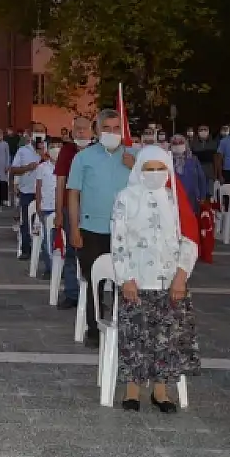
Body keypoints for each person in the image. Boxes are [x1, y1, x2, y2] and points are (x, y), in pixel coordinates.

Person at [110, 146, 199, 412]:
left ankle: (161, 392)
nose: (155, 173)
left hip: (171, 282)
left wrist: (181, 277)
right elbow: (118, 241)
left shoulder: (175, 200)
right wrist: (125, 278)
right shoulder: (126, 198)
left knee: (167, 338)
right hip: (136, 281)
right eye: (149, 168)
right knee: (134, 337)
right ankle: (132, 391)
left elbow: (189, 240)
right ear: (139, 169)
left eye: (161, 168)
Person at [67, 109, 136, 348]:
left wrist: (136, 167)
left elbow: (157, 185)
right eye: (106, 128)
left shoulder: (132, 157)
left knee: (123, 281)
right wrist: (74, 228)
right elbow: (73, 193)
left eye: (117, 128)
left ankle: (120, 326)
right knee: (93, 281)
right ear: (97, 130)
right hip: (91, 229)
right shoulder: (83, 158)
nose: (112, 133)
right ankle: (94, 328)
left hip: (124, 232)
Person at [54, 117, 93, 309]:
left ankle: (94, 296)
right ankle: (72, 293)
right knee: (71, 252)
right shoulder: (66, 151)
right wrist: (59, 212)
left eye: (84, 129)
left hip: (93, 210)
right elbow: (60, 182)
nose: (80, 132)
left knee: (92, 253)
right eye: (77, 129)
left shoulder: (99, 152)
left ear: (92, 131)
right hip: (70, 209)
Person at [10, 126, 44, 260]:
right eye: (36, 132)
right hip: (27, 191)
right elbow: (13, 169)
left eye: (41, 132)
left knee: (45, 222)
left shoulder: (48, 150)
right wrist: (27, 168)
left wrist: (43, 155)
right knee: (26, 221)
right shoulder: (23, 151)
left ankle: (45, 250)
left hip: (45, 192)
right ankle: (26, 249)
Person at [33, 139, 59, 279]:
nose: (56, 150)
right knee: (46, 240)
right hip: (46, 207)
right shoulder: (42, 167)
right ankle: (49, 268)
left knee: (59, 240)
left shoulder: (67, 166)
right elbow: (38, 187)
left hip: (60, 208)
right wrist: (38, 205)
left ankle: (61, 269)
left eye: (58, 147)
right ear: (48, 150)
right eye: (53, 147)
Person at [169, 134, 207, 215]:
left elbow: (202, 178)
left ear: (185, 144)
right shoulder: (167, 160)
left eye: (180, 143)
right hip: (174, 198)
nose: (178, 145)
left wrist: (203, 197)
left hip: (192, 197)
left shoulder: (193, 159)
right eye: (175, 143)